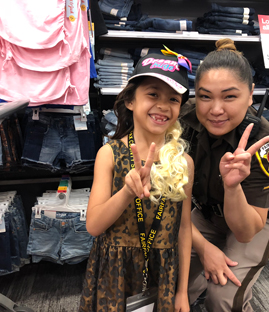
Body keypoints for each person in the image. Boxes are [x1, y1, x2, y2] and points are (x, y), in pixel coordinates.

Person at [79, 50, 195, 312]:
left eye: (173, 99)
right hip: (113, 272)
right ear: (130, 100)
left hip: (162, 273)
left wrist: (182, 292)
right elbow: (94, 226)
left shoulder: (183, 163)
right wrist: (126, 193)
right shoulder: (109, 154)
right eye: (153, 94)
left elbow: (184, 229)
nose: (163, 105)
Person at [180, 38, 269, 312]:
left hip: (256, 220)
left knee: (223, 297)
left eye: (230, 96)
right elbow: (174, 207)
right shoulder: (186, 120)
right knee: (169, 282)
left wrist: (232, 188)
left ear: (251, 94)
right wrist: (206, 249)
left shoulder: (264, 142)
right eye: (205, 96)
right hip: (205, 213)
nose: (215, 110)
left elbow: (245, 232)